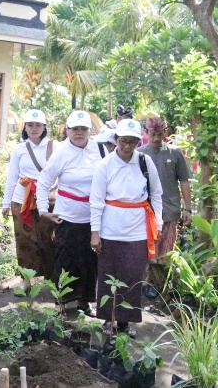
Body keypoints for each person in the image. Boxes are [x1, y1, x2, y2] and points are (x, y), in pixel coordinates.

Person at [90, 119, 163, 338]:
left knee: (132, 275)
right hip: (110, 228)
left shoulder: (145, 162)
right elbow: (96, 200)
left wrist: (157, 224)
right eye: (123, 141)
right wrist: (95, 232)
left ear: (138, 142)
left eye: (132, 142)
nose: (127, 146)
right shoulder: (104, 165)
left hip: (138, 228)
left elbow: (156, 194)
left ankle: (126, 320)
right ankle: (107, 318)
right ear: (116, 140)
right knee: (108, 274)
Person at [37, 111, 103, 318]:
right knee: (65, 261)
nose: (79, 133)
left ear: (89, 131)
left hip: (93, 217)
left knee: (90, 261)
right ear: (67, 130)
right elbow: (44, 180)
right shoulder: (61, 152)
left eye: (83, 129)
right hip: (67, 216)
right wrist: (42, 210)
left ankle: (85, 302)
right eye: (75, 129)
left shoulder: (99, 149)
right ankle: (62, 304)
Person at [1, 109, 55, 292]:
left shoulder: (53, 147)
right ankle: (26, 280)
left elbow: (60, 174)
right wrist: (5, 203)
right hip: (20, 200)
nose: (34, 128)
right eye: (30, 125)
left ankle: (52, 278)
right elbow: (12, 176)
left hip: (46, 201)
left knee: (48, 240)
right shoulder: (19, 149)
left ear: (44, 127)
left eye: (38, 125)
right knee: (24, 241)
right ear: (25, 127)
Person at [138, 117, 191, 298]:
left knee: (166, 252)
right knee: (147, 250)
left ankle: (161, 288)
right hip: (145, 211)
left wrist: (188, 209)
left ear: (165, 133)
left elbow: (184, 181)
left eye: (160, 134)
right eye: (152, 134)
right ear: (146, 132)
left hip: (170, 210)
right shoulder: (139, 154)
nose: (155, 139)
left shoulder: (175, 153)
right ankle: (148, 284)